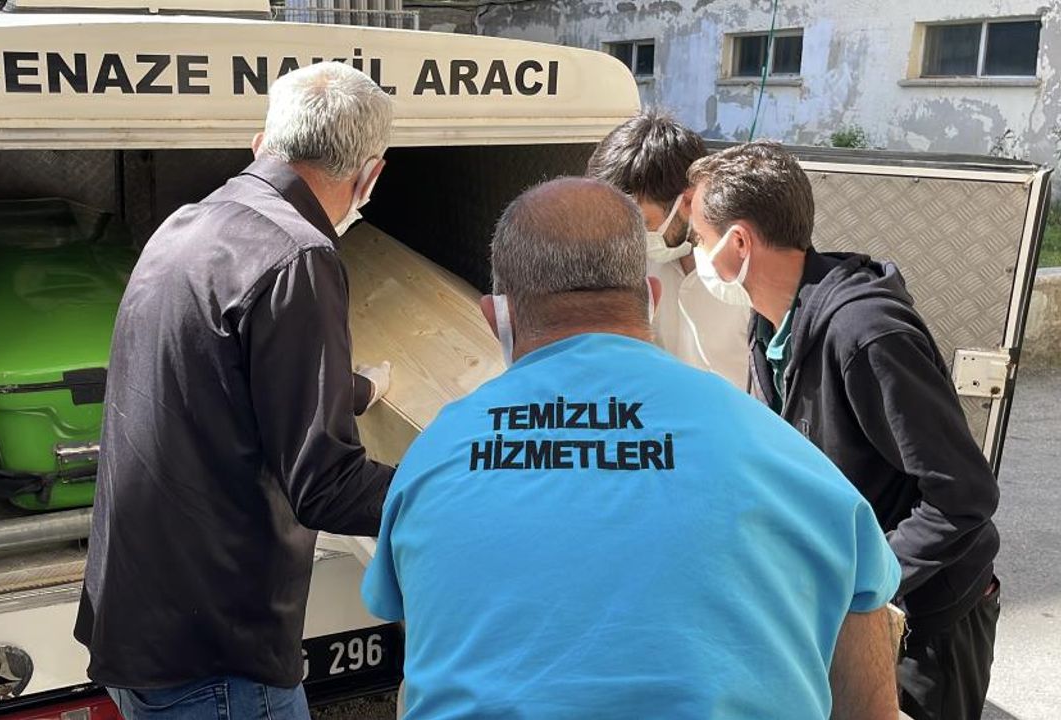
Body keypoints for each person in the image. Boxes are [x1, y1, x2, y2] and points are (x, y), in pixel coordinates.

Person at [361, 177, 902, 719]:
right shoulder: (787, 459)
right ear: (651, 297)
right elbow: (870, 694)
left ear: (496, 317)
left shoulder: (434, 457)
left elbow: (422, 627)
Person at [75, 62, 396, 719]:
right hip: (217, 662)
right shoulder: (300, 257)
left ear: (260, 143)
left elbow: (225, 376)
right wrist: (461, 485)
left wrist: (354, 389)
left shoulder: (191, 224)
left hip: (144, 626)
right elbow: (325, 486)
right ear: (370, 175)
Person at [685, 141, 1001, 720]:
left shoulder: (866, 333)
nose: (695, 255)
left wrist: (866, 581)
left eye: (700, 239)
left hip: (930, 618)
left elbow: (963, 495)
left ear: (739, 243)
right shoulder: (771, 324)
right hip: (856, 608)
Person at [586, 112, 750, 388]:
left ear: (688, 201)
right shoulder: (631, 271)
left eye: (640, 223)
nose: (629, 239)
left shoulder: (746, 274)